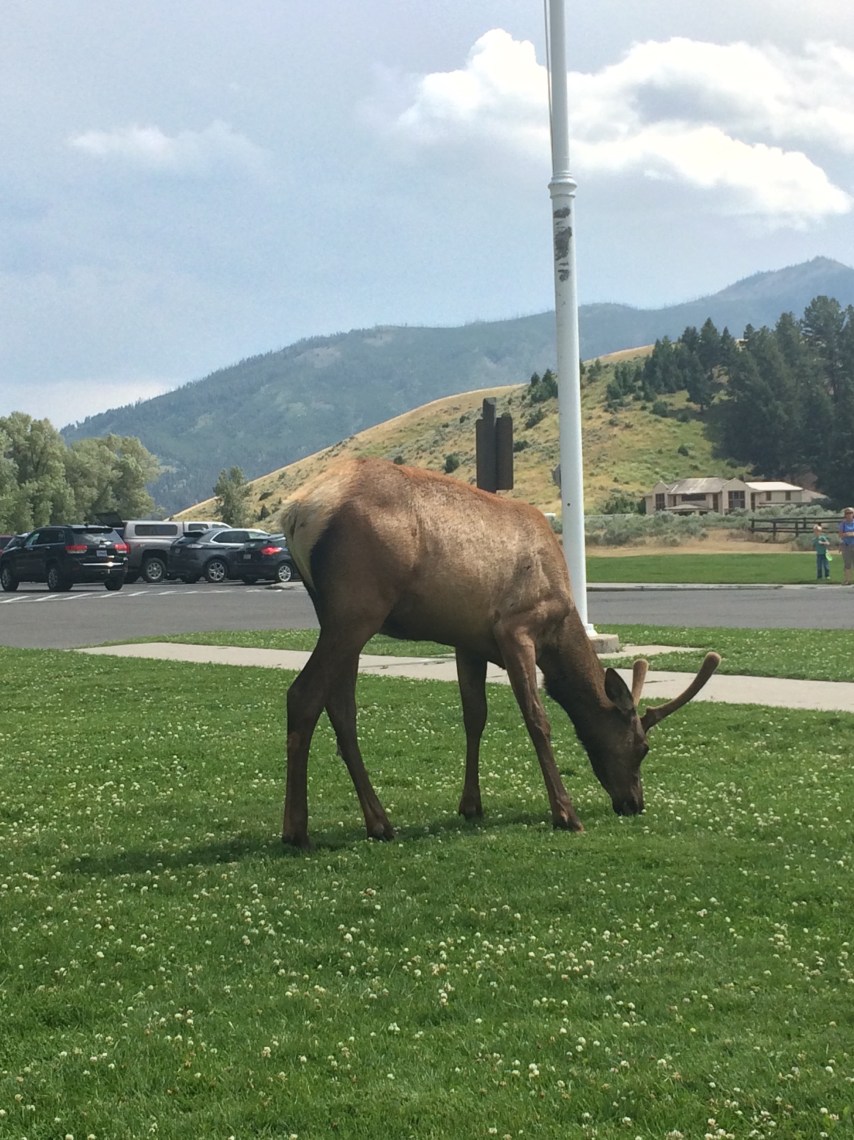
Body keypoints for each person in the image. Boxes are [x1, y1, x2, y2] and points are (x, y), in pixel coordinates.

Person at [839, 507, 854, 586]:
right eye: (847, 513)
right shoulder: (843, 524)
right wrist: (847, 534)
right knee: (847, 564)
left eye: (850, 513)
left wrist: (850, 534)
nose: (849, 515)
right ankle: (847, 580)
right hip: (846, 546)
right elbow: (840, 535)